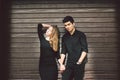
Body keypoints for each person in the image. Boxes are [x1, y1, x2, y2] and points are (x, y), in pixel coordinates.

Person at [59, 16, 88, 80]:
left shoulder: (81, 35)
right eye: (65, 25)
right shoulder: (65, 37)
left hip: (79, 63)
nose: (67, 27)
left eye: (69, 24)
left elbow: (85, 50)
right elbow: (63, 52)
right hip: (69, 63)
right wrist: (61, 64)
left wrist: (79, 62)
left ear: (73, 24)